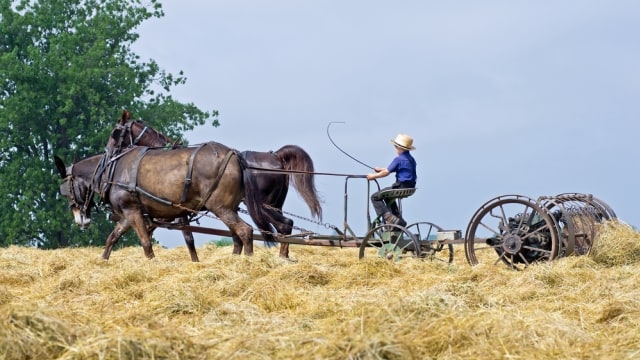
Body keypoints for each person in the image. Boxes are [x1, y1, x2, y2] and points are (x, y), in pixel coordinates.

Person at [367, 133, 417, 227]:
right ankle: (398, 219)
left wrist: (372, 176)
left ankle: (389, 217)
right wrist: (381, 169)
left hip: (400, 186)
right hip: (410, 187)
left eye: (395, 147)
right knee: (387, 196)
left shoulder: (398, 159)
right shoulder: (411, 159)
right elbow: (392, 169)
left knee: (374, 197)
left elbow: (386, 172)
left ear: (399, 148)